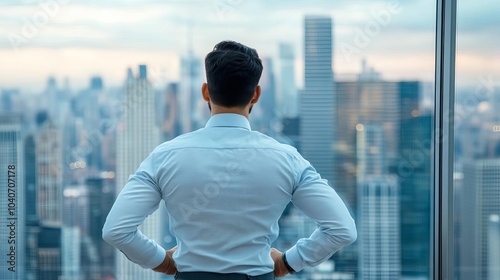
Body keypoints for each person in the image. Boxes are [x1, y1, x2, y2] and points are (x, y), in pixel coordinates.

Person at [102, 40, 357, 280]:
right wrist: (289, 262)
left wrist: (162, 261)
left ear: (205, 92)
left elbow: (116, 230)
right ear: (256, 94)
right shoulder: (287, 158)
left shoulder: (165, 156)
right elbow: (342, 229)